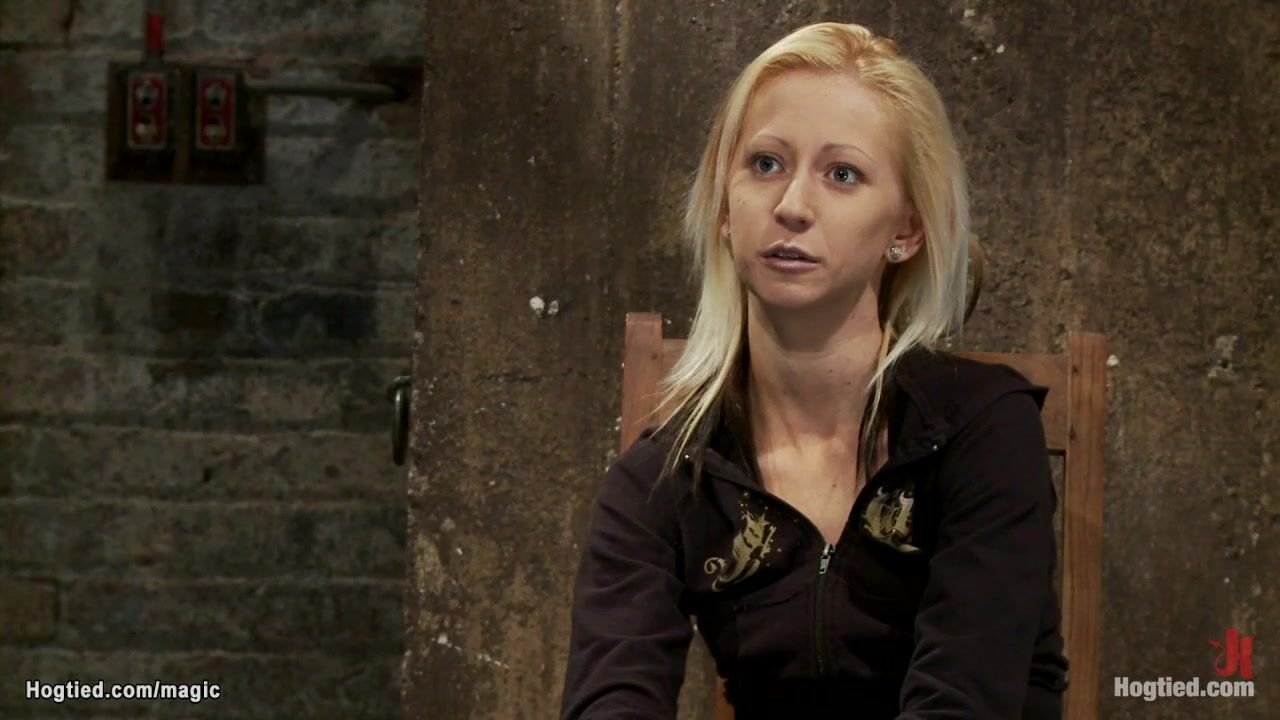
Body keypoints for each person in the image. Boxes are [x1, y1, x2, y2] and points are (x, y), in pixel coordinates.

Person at [560, 20, 1068, 719]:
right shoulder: (664, 481)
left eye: (842, 174)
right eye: (766, 164)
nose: (792, 206)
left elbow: (964, 702)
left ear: (906, 229)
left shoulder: (980, 430)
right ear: (724, 209)